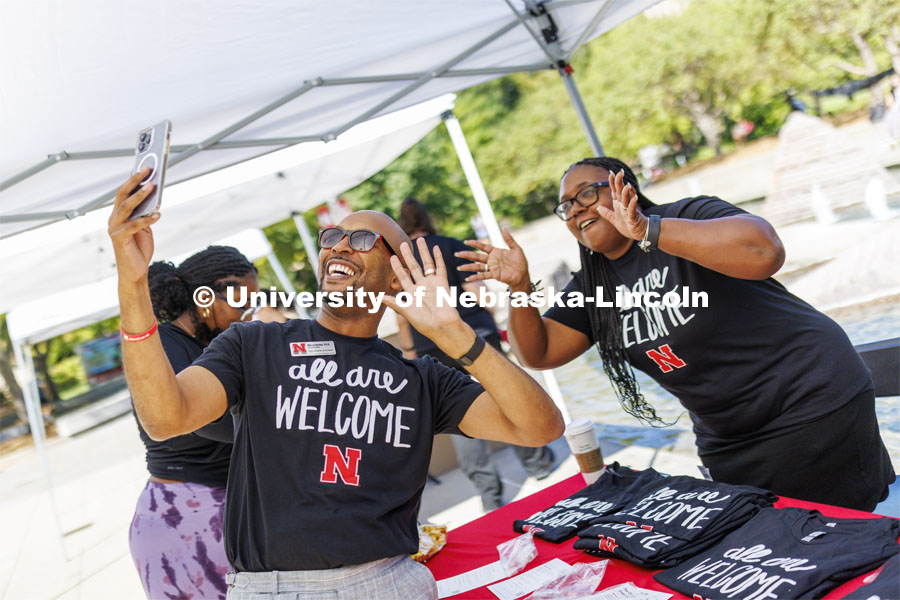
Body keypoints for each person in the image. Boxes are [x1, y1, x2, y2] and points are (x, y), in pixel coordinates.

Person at [108, 168, 564, 599]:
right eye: (332, 237)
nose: (339, 246)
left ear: (397, 271)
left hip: (385, 580)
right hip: (270, 588)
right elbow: (166, 418)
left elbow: (540, 429)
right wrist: (131, 285)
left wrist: (456, 335)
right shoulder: (254, 343)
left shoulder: (422, 378)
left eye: (362, 239)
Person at [459, 156, 895, 512]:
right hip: (730, 441)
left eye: (587, 194)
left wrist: (649, 231)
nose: (576, 210)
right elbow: (540, 352)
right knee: (768, 548)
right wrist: (519, 290)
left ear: (622, 186)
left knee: (841, 540)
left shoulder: (685, 218)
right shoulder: (594, 286)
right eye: (566, 206)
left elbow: (765, 251)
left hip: (810, 402)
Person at [129, 245, 285, 600]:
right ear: (203, 298)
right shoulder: (166, 348)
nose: (247, 316)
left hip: (221, 507)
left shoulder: (215, 345)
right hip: (184, 521)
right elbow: (219, 424)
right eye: (241, 305)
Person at [396, 198, 555, 511]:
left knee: (460, 418)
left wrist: (412, 352)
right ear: (429, 219)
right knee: (509, 400)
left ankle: (490, 496)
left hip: (433, 349)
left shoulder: (402, 265)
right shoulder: (452, 246)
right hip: (475, 336)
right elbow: (479, 295)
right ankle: (540, 465)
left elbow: (403, 317)